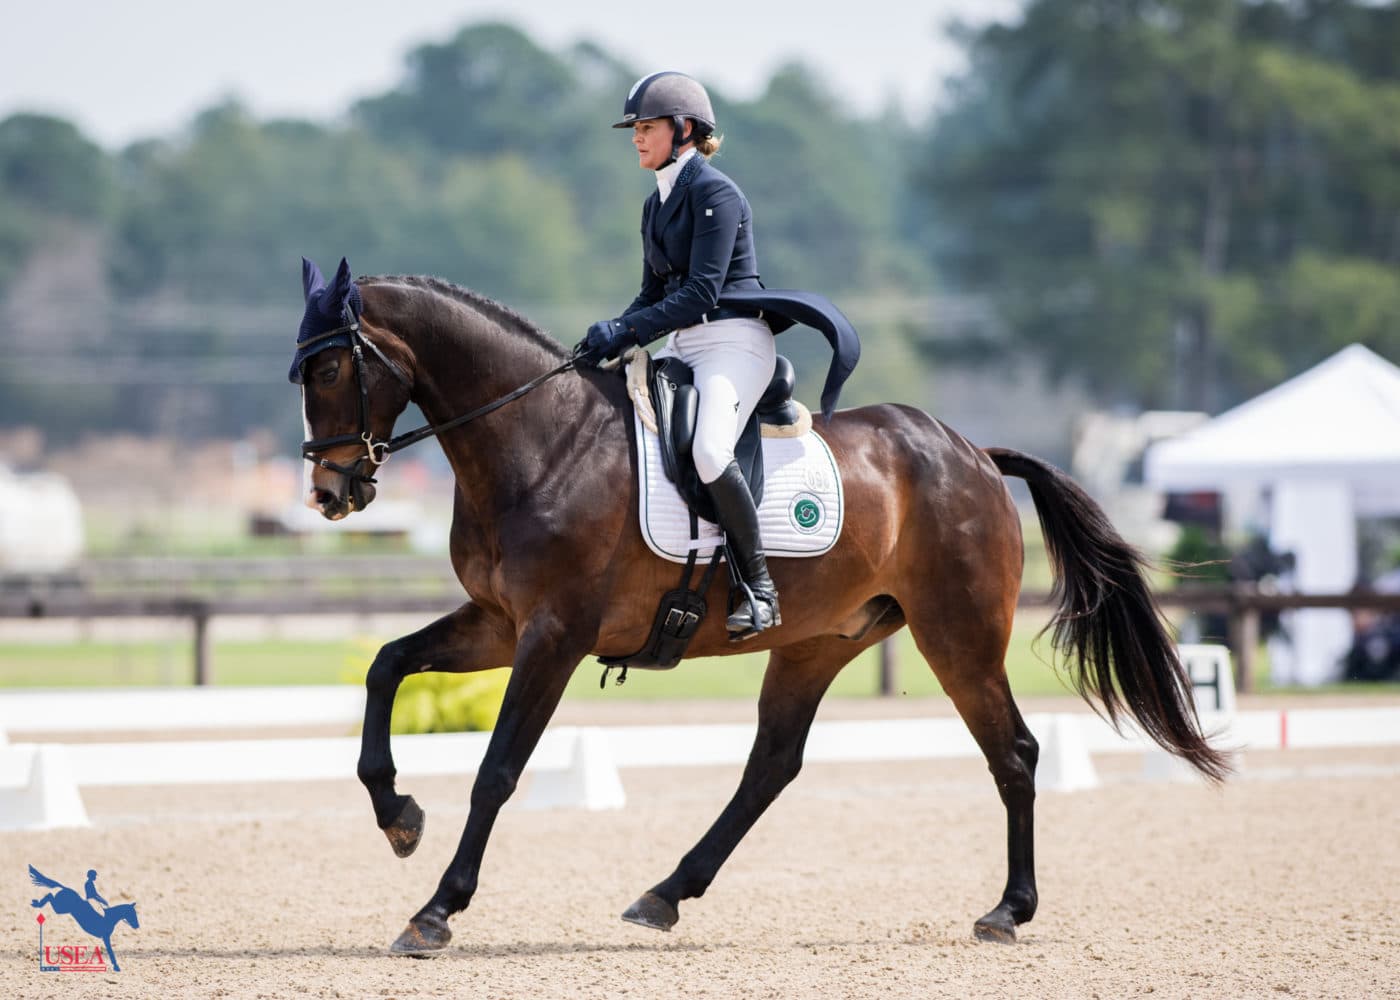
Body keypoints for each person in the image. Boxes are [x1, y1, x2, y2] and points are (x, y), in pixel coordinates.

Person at [578, 70, 781, 638]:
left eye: (646, 127)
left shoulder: (715, 193)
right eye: (634, 129)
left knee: (712, 452)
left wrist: (627, 327)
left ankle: (760, 589)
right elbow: (653, 293)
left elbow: (700, 293)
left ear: (684, 129)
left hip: (734, 341)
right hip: (685, 343)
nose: (636, 138)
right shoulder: (655, 205)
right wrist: (611, 336)